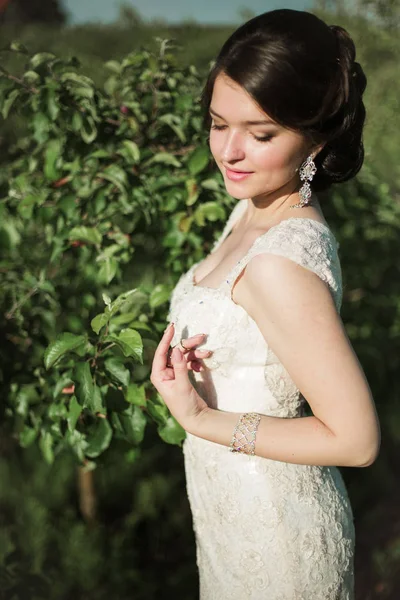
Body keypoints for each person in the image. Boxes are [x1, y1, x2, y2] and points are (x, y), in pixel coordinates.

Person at [150, 8, 381, 599]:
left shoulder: (279, 261)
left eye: (261, 134)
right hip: (228, 515)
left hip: (276, 537)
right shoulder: (251, 207)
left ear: (316, 136)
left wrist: (201, 420)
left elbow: (355, 440)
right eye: (217, 123)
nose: (230, 151)